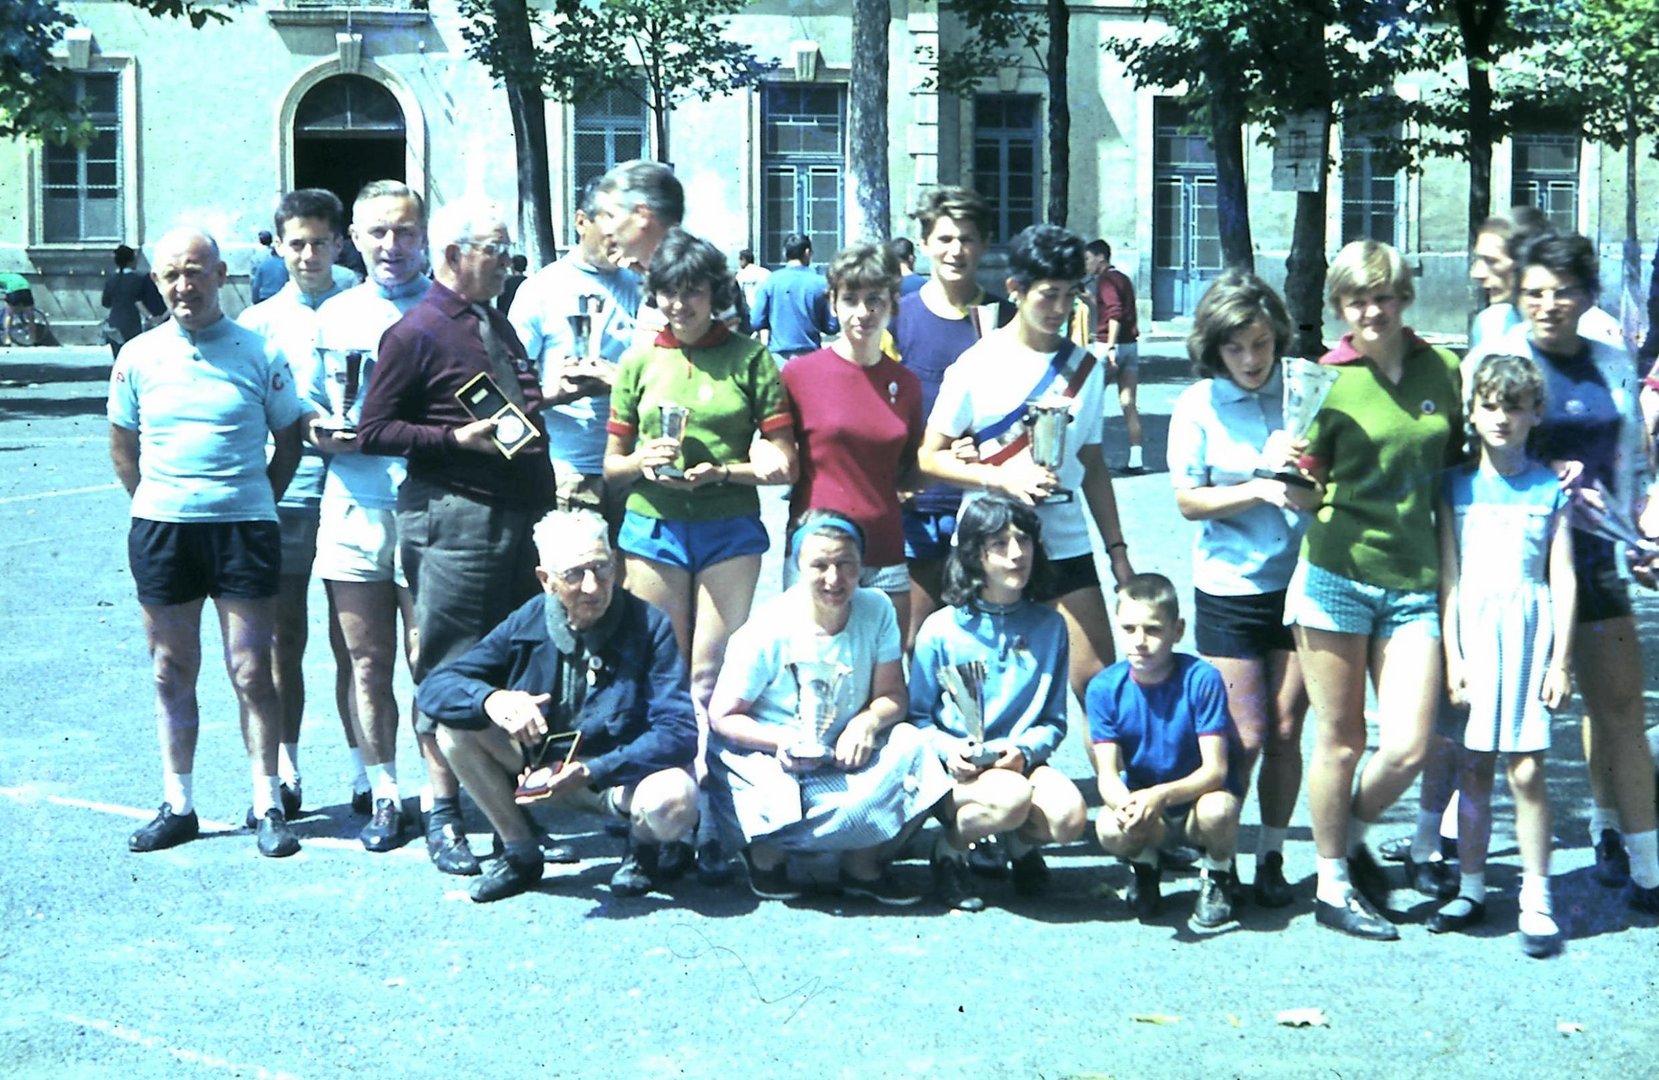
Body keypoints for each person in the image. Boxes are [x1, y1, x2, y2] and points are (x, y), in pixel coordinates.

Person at [358, 197, 557, 878]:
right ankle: (442, 808)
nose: (507, 262)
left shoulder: (494, 321)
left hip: (517, 516)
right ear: (453, 255)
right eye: (496, 250)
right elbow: (373, 430)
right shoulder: (415, 332)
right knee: (449, 663)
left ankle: (502, 802)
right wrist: (451, 438)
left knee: (511, 665)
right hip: (456, 518)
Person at [1474, 232, 1659, 913]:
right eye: (1534, 292)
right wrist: (1530, 471)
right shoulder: (1496, 362)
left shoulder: (1612, 362)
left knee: (1619, 714)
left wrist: (1644, 529)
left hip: (1597, 560)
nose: (1548, 305)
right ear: (1517, 295)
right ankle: (1458, 865)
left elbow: (1634, 463)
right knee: (1498, 730)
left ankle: (1643, 865)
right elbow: (1471, 465)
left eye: (1562, 292)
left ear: (1585, 296)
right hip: (1513, 568)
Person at [109, 226, 307, 858]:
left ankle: (267, 801)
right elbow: (124, 448)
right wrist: (162, 501)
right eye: (170, 275)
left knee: (252, 670)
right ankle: (179, 802)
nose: (183, 286)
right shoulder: (136, 356)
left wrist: (250, 501)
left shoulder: (258, 351)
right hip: (164, 529)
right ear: (157, 281)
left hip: (244, 529)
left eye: (195, 272)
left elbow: (290, 441)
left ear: (222, 275)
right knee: (172, 670)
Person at [603, 228, 795, 879]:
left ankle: (715, 822)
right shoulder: (636, 363)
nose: (680, 305)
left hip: (727, 531)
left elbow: (781, 460)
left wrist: (726, 472)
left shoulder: (750, 359)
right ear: (652, 294)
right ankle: (656, 831)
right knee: (658, 674)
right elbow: (611, 469)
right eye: (668, 293)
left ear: (716, 292)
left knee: (710, 679)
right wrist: (639, 462)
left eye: (693, 292)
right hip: (652, 529)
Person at [1290, 239, 1464, 940]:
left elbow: (1455, 474)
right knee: (1339, 738)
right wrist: (1287, 472)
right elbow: (1304, 488)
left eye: (1384, 295)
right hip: (1334, 575)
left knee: (1409, 746)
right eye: (1357, 298)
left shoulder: (1442, 369)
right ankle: (1332, 886)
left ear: (1403, 298)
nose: (1372, 310)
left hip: (1414, 581)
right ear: (1338, 307)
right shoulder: (1325, 381)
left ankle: (1347, 835)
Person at [417, 510, 699, 903]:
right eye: (573, 574)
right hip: (540, 770)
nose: (592, 586)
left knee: (675, 799)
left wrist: (593, 769)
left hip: (617, 778)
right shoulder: (529, 619)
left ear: (615, 563)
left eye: (601, 568)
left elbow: (679, 733)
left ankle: (643, 850)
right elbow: (435, 688)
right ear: (545, 580)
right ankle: (520, 852)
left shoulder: (650, 625)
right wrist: (492, 700)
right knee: (454, 729)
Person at [917, 223, 1134, 706]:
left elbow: (1092, 463)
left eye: (1070, 295)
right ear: (1015, 290)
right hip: (988, 537)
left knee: (1097, 678)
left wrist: (1116, 549)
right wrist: (1001, 477)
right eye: (1048, 295)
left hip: (1063, 536)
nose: (1060, 310)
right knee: (984, 680)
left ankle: (1112, 781)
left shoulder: (1088, 370)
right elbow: (929, 455)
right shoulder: (976, 364)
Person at [708, 512, 952, 904]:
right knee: (755, 777)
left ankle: (861, 865)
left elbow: (893, 695)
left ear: (861, 567)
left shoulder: (878, 610)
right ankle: (767, 857)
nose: (834, 579)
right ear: (797, 566)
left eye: (845, 565)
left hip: (842, 752)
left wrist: (868, 721)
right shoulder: (767, 629)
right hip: (773, 754)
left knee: (912, 743)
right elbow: (723, 716)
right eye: (819, 565)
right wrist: (780, 742)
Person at [1166, 271, 1314, 908]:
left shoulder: (1304, 388)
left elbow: (1321, 491)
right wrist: (1258, 484)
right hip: (1230, 587)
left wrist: (1305, 472)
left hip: (1304, 583)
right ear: (1215, 349)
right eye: (1237, 349)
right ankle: (1216, 863)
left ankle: (1273, 855)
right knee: (1242, 736)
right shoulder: (1197, 405)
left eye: (1261, 344)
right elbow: (1187, 501)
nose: (1253, 360)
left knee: (1285, 730)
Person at [308, 179, 437, 845]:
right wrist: (318, 432)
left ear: (424, 236)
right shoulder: (332, 316)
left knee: (431, 662)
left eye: (405, 231)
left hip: (427, 510)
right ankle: (384, 791)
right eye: (377, 232)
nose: (392, 245)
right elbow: (308, 414)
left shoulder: (448, 313)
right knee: (366, 660)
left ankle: (439, 798)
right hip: (355, 506)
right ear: (353, 240)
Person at [1434, 354, 1574, 957]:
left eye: (1514, 407)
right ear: (1472, 412)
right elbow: (1449, 579)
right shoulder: (1456, 486)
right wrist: (1453, 658)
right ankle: (1469, 886)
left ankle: (1536, 899)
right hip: (1475, 635)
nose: (1501, 418)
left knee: (1528, 771)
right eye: (1490, 406)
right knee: (1473, 768)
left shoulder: (1550, 489)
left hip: (1527, 636)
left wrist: (1559, 660)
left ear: (1534, 414)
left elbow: (1562, 577)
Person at [909, 496, 1087, 911]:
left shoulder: (1050, 626)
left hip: (1018, 767)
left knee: (1069, 817)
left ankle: (1019, 844)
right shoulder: (940, 629)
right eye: (1000, 544)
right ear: (973, 554)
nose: (1017, 554)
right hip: (958, 773)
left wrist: (1024, 751)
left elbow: (1053, 721)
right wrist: (948, 750)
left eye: (1024, 541)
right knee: (1009, 799)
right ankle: (950, 851)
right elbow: (917, 718)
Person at [237, 188, 352, 819]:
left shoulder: (365, 308)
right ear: (279, 247)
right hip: (285, 494)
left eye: (320, 242)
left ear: (341, 243)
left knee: (353, 641)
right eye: (297, 244)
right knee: (284, 637)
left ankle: (368, 773)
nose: (309, 255)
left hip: (355, 491)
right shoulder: (256, 326)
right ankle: (287, 766)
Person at [889, 187, 1013, 648]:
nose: (955, 250)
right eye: (944, 239)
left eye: (967, 238)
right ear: (924, 244)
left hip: (985, 504)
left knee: (985, 639)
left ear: (984, 244)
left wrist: (986, 442)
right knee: (915, 640)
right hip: (915, 506)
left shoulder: (1006, 318)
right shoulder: (898, 316)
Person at [780, 242, 922, 631]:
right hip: (818, 552)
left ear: (893, 303)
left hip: (885, 548)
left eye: (874, 300)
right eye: (851, 299)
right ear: (832, 302)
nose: (863, 313)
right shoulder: (798, 376)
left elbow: (912, 469)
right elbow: (775, 449)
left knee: (885, 672)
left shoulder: (906, 384)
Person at [1088, 574, 1243, 928]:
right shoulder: (1104, 688)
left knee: (1219, 809)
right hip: (1148, 810)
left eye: (1153, 629)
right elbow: (1108, 775)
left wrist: (1160, 795)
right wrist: (1126, 805)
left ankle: (1218, 872)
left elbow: (1215, 770)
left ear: (1178, 630)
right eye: (1128, 629)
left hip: (1193, 806)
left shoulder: (1201, 679)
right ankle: (1145, 865)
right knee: (1109, 826)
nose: (1139, 642)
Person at [509, 179, 642, 524]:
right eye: (610, 225)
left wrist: (618, 382)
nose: (621, 239)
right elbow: (506, 388)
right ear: (582, 221)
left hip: (635, 469)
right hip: (568, 472)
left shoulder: (646, 290)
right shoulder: (540, 289)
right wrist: (555, 394)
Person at [1084, 240, 1144, 473]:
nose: (1086, 264)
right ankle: (1136, 458)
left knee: (1088, 401)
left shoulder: (1106, 280)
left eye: (1088, 258)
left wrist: (1109, 347)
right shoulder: (1122, 278)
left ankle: (1087, 458)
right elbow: (1111, 309)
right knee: (1128, 403)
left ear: (1101, 258)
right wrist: (1090, 301)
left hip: (1108, 346)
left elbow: (1114, 313)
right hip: (1131, 346)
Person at [591, 159, 685, 277]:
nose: (605, 230)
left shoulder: (690, 279)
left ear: (642, 215)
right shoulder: (646, 276)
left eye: (611, 216)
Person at [751, 233, 835, 364]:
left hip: (778, 359)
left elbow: (756, 321)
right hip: (811, 359)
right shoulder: (821, 283)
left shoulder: (771, 281)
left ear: (785, 253)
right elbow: (832, 326)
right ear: (807, 253)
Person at [99, 244, 164, 358]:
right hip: (131, 325)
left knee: (118, 359)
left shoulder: (111, 279)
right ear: (131, 260)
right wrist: (152, 318)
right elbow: (141, 302)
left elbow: (106, 303)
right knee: (132, 358)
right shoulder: (138, 279)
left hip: (114, 325)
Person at [249, 229, 289, 304]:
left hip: (265, 298)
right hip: (282, 297)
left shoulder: (257, 258)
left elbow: (254, 283)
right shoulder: (284, 262)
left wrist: (254, 301)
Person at [735, 247, 771, 316]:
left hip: (749, 312)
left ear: (743, 260)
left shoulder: (741, 275)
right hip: (765, 311)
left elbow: (738, 294)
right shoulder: (766, 273)